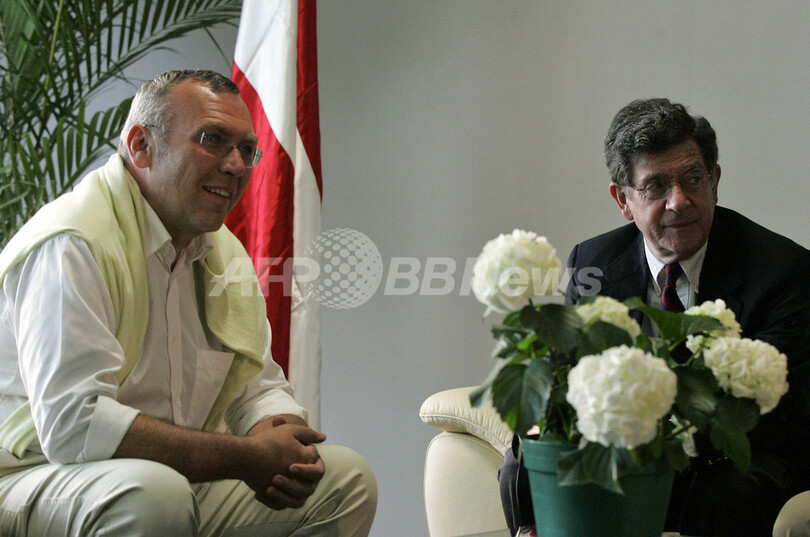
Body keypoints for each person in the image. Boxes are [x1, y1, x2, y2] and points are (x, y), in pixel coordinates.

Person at [0, 69, 377, 536]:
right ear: (141, 146)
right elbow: (75, 426)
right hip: (33, 475)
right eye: (212, 140)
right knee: (155, 494)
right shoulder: (74, 242)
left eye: (246, 149)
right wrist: (246, 457)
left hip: (168, 481)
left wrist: (274, 435)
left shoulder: (223, 252)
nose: (236, 165)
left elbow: (257, 387)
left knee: (345, 480)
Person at [498, 98, 810, 537]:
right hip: (625, 448)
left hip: (736, 457)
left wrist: (661, 433)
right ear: (623, 200)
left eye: (693, 179)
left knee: (732, 488)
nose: (678, 202)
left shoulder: (781, 270)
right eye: (656, 186)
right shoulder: (595, 262)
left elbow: (781, 414)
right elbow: (568, 377)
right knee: (522, 461)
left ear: (715, 182)